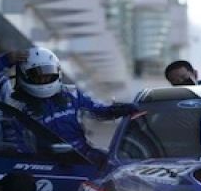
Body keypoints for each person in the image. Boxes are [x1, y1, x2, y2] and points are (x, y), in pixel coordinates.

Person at [9, 47, 138, 167]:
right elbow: (19, 147)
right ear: (24, 75)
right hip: (45, 165)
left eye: (48, 74)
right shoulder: (17, 108)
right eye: (38, 76)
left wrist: (117, 109)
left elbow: (99, 109)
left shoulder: (73, 94)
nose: (44, 79)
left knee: (116, 165)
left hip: (83, 157)